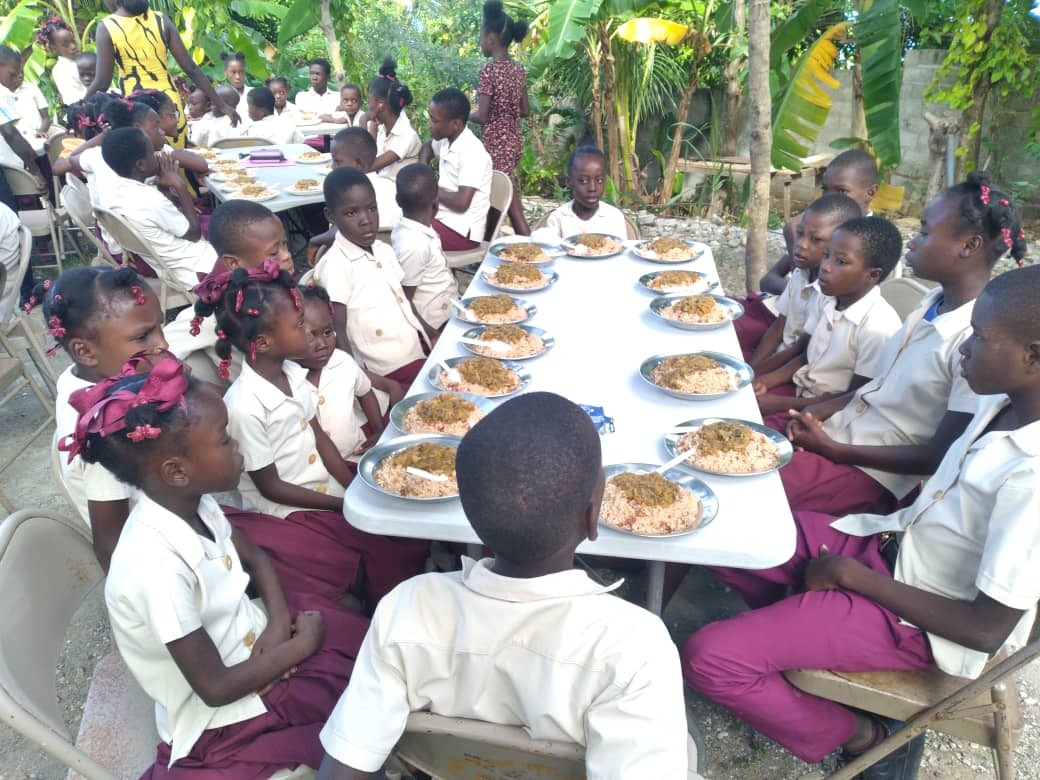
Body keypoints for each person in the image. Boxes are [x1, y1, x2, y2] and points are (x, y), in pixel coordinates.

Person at [683, 264, 1040, 777]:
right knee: (723, 532)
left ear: (1032, 356)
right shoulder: (1003, 404)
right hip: (889, 545)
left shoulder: (1032, 475)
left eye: (979, 338)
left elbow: (984, 630)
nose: (964, 348)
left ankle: (867, 737)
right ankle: (803, 627)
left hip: (917, 617)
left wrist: (853, 578)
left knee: (710, 657)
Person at [317, 392, 692, 779]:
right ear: (594, 514)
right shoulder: (634, 646)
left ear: (468, 513)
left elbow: (344, 768)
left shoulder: (407, 606)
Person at [65, 354, 370, 776]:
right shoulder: (155, 567)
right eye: (225, 439)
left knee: (360, 641)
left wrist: (277, 625)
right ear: (177, 471)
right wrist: (301, 645)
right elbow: (214, 688)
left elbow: (257, 559)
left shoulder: (195, 504)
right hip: (225, 712)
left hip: (256, 639)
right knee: (351, 721)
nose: (236, 445)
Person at [779, 173, 1027, 518]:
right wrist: (815, 413)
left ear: (968, 246)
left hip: (870, 475)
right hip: (838, 433)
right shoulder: (931, 302)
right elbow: (876, 388)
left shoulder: (976, 342)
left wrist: (833, 450)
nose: (911, 242)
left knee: (749, 488)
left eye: (924, 232)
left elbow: (936, 455)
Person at [207, 264, 428, 606]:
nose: (307, 333)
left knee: (395, 512)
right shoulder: (244, 407)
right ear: (263, 342)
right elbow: (271, 487)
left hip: (325, 481)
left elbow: (320, 438)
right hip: (290, 505)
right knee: (372, 546)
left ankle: (416, 581)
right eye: (299, 326)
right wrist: (340, 504)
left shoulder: (293, 375)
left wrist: (353, 489)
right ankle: (392, 605)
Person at [37, 266, 167, 569]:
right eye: (143, 336)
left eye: (160, 327)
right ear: (85, 352)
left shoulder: (88, 377)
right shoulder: (104, 429)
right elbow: (110, 546)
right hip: (158, 558)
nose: (162, 343)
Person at [754, 216, 903, 419]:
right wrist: (764, 381)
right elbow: (805, 355)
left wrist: (783, 404)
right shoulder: (827, 298)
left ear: (873, 275)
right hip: (800, 391)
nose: (825, 266)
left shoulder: (878, 328)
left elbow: (855, 398)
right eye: (826, 255)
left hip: (829, 415)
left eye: (840, 261)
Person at [738, 150, 880, 349]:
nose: (829, 198)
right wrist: (796, 293)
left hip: (806, 338)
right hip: (782, 316)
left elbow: (829, 308)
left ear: (870, 193)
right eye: (825, 189)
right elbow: (767, 280)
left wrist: (802, 295)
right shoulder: (818, 224)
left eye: (841, 191)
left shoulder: (871, 246)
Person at [312, 166, 429, 390]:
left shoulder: (384, 250)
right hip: (385, 370)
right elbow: (337, 331)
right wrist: (363, 385)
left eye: (372, 208)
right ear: (331, 216)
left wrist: (430, 333)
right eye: (351, 213)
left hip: (414, 349)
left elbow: (404, 300)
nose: (366, 220)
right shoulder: (336, 266)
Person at [165, 199, 294, 384]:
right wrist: (205, 391)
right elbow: (162, 347)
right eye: (274, 253)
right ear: (234, 263)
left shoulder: (280, 287)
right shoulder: (219, 311)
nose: (287, 255)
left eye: (285, 244)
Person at [87, 0, 239, 148]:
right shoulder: (160, 19)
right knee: (178, 160)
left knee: (148, 162)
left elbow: (102, 82)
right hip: (170, 107)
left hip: (138, 109)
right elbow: (191, 69)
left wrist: (80, 107)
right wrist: (221, 105)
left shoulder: (107, 27)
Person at [745, 194, 862, 371]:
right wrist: (749, 369)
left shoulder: (832, 294)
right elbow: (778, 329)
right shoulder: (801, 273)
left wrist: (758, 375)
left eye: (816, 239)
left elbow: (801, 355)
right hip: (777, 360)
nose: (801, 244)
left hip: (799, 373)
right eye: (800, 234)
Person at [100, 127, 215, 289]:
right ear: (141, 165)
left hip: (167, 268)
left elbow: (160, 221)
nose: (158, 155)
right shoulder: (149, 200)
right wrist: (179, 185)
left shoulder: (114, 191)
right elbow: (195, 233)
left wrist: (164, 189)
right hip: (196, 268)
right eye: (152, 153)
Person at [298, 285, 383, 458]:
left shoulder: (342, 362)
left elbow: (365, 393)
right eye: (310, 336)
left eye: (327, 332)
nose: (322, 344)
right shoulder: (287, 381)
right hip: (321, 468)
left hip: (356, 451)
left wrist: (379, 431)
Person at [470, 0, 531, 235]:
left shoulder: (489, 71)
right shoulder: (518, 70)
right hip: (513, 141)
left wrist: (464, 114)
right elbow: (524, 110)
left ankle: (529, 242)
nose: (480, 42)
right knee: (500, 195)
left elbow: (482, 115)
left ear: (490, 38)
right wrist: (507, 111)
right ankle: (488, 243)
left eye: (480, 36)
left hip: (496, 144)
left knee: (506, 199)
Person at [306, 127, 403, 264]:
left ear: (358, 164)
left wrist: (315, 240)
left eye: (337, 161)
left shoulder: (343, 196)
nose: (332, 167)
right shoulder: (393, 187)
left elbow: (338, 233)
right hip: (396, 258)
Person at [419, 87, 492, 251]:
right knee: (402, 219)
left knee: (409, 233)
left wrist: (428, 187)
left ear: (455, 124)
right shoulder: (446, 140)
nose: (429, 125)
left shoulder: (472, 151)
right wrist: (423, 169)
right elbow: (427, 148)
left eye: (434, 121)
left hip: (461, 231)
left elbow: (461, 203)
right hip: (442, 217)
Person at [391, 163, 459, 332]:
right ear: (436, 201)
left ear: (398, 200)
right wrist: (431, 334)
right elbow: (404, 300)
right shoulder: (414, 245)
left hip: (449, 309)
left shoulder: (418, 229)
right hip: (435, 323)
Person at [530, 146, 627, 242]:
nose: (592, 188)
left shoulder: (614, 217)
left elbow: (622, 250)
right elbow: (551, 249)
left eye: (599, 180)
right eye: (583, 181)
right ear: (569, 182)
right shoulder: (558, 218)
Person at [366, 59, 419, 182]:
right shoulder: (383, 128)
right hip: (382, 184)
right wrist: (373, 127)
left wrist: (364, 121)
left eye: (369, 101)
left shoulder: (407, 135)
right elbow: (368, 157)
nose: (368, 106)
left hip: (397, 191)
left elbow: (368, 166)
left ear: (380, 105)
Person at [0, 46, 46, 185]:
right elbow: (9, 133)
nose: (15, 79)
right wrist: (35, 171)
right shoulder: (2, 93)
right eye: (12, 74)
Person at [38, 16, 85, 105]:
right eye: (66, 45)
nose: (73, 46)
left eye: (73, 41)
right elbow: (73, 100)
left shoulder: (83, 60)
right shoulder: (61, 70)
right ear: (53, 48)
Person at [237, 86, 303, 145]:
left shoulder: (251, 130)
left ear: (261, 112)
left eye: (250, 106)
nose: (247, 110)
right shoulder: (289, 124)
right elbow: (301, 143)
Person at [221, 51, 249, 116]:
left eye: (241, 72)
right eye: (233, 72)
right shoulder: (220, 96)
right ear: (225, 73)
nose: (237, 77)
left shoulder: (253, 94)